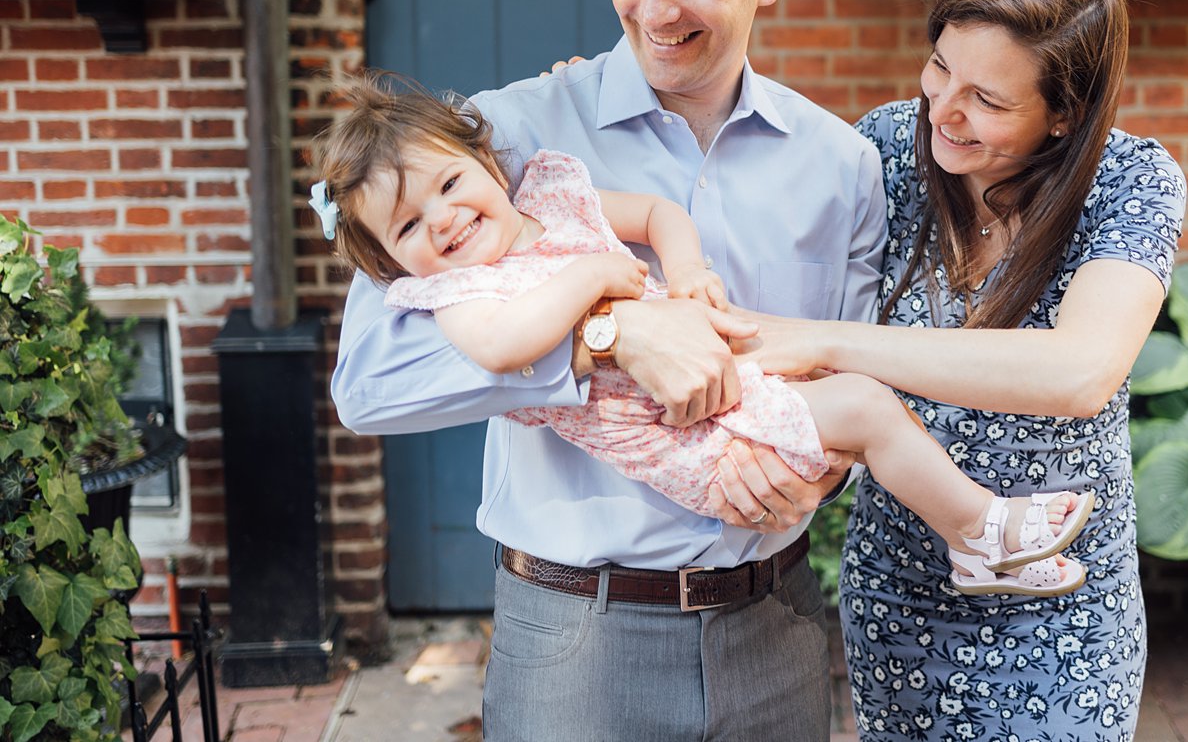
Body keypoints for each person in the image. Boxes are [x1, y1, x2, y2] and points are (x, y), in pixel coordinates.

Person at [332, 0, 872, 742]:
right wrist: (600, 337)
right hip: (578, 637)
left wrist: (811, 482)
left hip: (778, 626)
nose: (654, 11)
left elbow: (858, 366)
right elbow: (369, 386)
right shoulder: (496, 141)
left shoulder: (841, 162)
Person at [314, 80, 1095, 597]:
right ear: (391, 259)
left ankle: (976, 534)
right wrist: (604, 302)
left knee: (862, 407)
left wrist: (685, 278)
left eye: (448, 185)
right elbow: (499, 348)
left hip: (756, 546)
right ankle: (977, 531)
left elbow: (657, 216)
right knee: (863, 404)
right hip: (672, 445)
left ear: (487, 159)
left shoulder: (553, 193)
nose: (442, 220)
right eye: (409, 224)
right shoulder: (458, 290)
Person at [721, 0, 1188, 740]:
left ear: (1064, 114)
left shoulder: (1129, 181)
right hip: (903, 590)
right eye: (939, 67)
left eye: (987, 99)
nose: (942, 110)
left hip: (1061, 604)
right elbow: (741, 194)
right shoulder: (889, 149)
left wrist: (829, 342)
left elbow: (1079, 372)